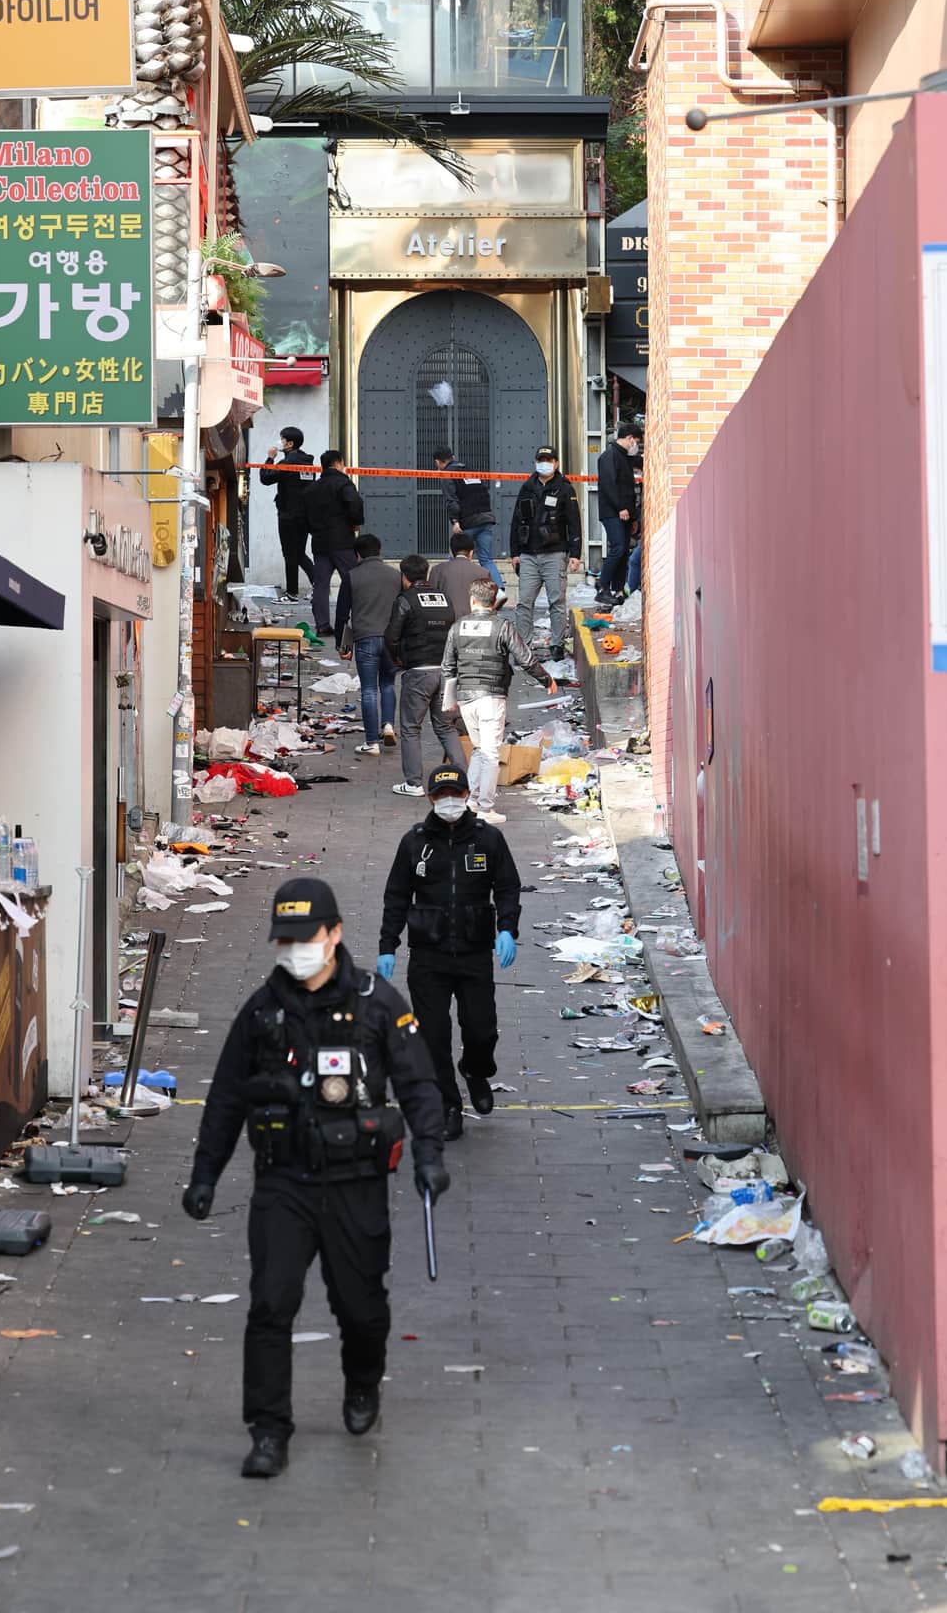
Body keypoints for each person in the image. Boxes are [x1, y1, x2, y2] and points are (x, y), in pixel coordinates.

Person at [181, 877, 449, 1480]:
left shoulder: (379, 1003)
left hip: (356, 1182)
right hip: (284, 1183)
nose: (295, 950)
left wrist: (430, 1155)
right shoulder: (262, 1010)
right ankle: (269, 1430)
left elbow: (418, 1085)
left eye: (306, 938)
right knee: (271, 1304)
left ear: (334, 936)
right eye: (285, 939)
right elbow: (225, 1097)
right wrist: (206, 1175)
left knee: (360, 1309)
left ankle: (362, 1383)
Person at [377, 765, 520, 1141]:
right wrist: (387, 946)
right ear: (430, 799)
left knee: (481, 1029)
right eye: (442, 796)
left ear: (468, 795)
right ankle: (448, 1105)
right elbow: (396, 896)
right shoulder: (415, 843)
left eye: (456, 794)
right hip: (428, 956)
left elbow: (507, 887)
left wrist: (507, 929)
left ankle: (475, 1071)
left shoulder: (489, 840)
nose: (450, 802)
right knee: (432, 1036)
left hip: (474, 953)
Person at [440, 578, 557, 825]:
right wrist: (547, 680)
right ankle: (486, 808)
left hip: (466, 698)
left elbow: (448, 667)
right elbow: (525, 659)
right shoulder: (503, 626)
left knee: (480, 751)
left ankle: (470, 801)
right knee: (491, 753)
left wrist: (449, 700)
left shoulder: (457, 627)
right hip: (491, 697)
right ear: (495, 602)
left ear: (472, 600)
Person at [385, 553, 466, 797]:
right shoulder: (444, 598)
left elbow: (391, 636)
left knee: (410, 727)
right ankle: (465, 776)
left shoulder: (405, 600)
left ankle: (413, 783)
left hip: (419, 671)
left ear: (404, 577)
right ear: (427, 574)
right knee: (446, 726)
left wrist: (398, 658)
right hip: (446, 670)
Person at [510, 445, 582, 660]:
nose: (545, 464)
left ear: (556, 463)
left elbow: (574, 523)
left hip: (555, 553)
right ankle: (524, 646)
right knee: (524, 602)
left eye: (549, 460)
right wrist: (515, 552)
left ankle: (557, 645)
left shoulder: (565, 488)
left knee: (556, 602)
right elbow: (516, 521)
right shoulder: (527, 487)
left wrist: (575, 553)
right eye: (541, 460)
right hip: (529, 554)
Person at [334, 534, 401, 757]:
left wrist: (342, 645)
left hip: (365, 639)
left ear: (358, 554)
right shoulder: (396, 576)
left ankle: (371, 742)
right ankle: (389, 725)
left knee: (369, 689)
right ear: (379, 551)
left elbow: (342, 613)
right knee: (389, 684)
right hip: (392, 640)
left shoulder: (351, 576)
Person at [303, 449, 364, 636]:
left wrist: (314, 530)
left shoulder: (311, 489)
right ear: (338, 463)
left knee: (320, 585)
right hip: (343, 541)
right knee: (354, 581)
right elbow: (354, 503)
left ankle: (322, 625)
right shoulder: (344, 484)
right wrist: (355, 522)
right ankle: (358, 622)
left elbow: (304, 516)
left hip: (320, 542)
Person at [433, 445, 504, 595]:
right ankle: (499, 593)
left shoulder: (447, 474)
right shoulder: (469, 470)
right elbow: (483, 492)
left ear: (439, 462)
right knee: (486, 560)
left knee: (455, 558)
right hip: (486, 518)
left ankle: (450, 592)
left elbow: (451, 500)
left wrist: (455, 521)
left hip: (468, 521)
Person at [258, 426, 315, 599]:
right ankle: (318, 585)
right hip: (304, 516)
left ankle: (292, 592)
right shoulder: (307, 463)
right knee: (298, 553)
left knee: (290, 554)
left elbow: (266, 478)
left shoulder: (287, 463)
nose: (280, 442)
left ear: (290, 443)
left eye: (282, 440)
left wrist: (270, 458)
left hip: (288, 515)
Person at [595, 422, 641, 608]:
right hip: (613, 512)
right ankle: (602, 586)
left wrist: (633, 516)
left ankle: (618, 589)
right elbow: (609, 485)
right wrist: (621, 507)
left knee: (622, 552)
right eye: (636, 442)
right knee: (618, 547)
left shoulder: (624, 457)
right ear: (630, 438)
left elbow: (627, 488)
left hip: (625, 513)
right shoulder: (609, 456)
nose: (635, 446)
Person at [429, 532, 490, 621]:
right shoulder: (483, 572)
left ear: (452, 551)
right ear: (471, 552)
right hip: (474, 622)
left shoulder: (437, 570)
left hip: (445, 622)